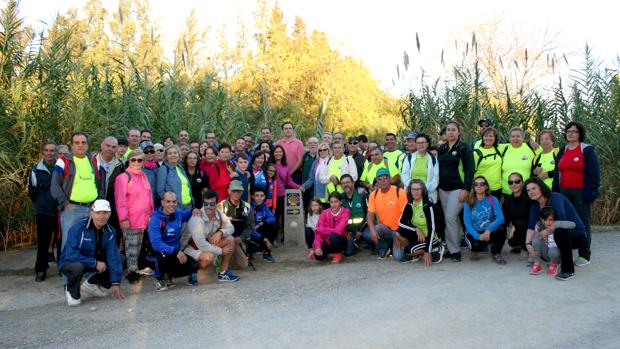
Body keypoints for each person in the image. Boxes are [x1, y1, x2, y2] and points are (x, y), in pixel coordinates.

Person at [59, 200, 125, 306]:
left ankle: (91, 284)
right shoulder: (78, 228)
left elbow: (113, 257)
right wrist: (94, 263)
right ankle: (70, 288)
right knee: (75, 300)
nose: (101, 216)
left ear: (110, 214)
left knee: (120, 259)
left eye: (105, 213)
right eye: (98, 213)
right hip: (71, 262)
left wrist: (115, 282)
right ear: (91, 213)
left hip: (93, 262)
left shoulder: (110, 231)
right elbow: (70, 254)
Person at [553, 121, 600, 265]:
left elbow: (594, 174)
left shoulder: (586, 150)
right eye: (568, 131)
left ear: (580, 134)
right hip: (563, 192)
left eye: (574, 131)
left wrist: (591, 192)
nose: (570, 134)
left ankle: (584, 255)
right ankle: (565, 252)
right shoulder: (563, 150)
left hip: (581, 192)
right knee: (564, 222)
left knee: (582, 223)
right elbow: (557, 172)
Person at [524, 177, 588, 281]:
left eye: (534, 188)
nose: (531, 192)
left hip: (575, 234)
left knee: (559, 232)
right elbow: (531, 227)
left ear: (541, 187)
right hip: (554, 237)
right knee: (543, 244)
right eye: (528, 190)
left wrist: (546, 231)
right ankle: (556, 259)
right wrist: (528, 244)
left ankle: (568, 270)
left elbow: (562, 222)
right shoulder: (535, 205)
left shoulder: (555, 198)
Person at [51, 132, 103, 251]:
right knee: (69, 242)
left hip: (92, 209)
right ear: (72, 145)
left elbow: (100, 183)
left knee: (88, 242)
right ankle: (66, 269)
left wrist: (99, 201)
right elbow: (54, 186)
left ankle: (86, 269)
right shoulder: (64, 161)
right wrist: (65, 204)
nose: (80, 145)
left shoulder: (94, 161)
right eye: (77, 143)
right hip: (72, 209)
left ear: (87, 145)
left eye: (83, 143)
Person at [114, 149, 154, 283]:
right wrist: (123, 218)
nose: (136, 162)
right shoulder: (123, 177)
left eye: (139, 160)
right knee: (131, 249)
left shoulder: (143, 176)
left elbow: (148, 197)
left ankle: (134, 270)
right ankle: (132, 274)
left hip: (143, 219)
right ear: (129, 161)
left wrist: (150, 214)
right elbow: (120, 200)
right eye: (133, 160)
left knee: (137, 247)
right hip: (130, 219)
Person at [437, 121, 474, 262]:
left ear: (459, 132)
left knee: (450, 218)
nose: (451, 132)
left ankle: (455, 251)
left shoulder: (464, 148)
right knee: (450, 220)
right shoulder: (442, 148)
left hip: (458, 188)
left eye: (453, 130)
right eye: (448, 130)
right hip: (443, 188)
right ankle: (453, 247)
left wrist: (466, 189)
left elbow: (470, 171)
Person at [183, 190, 239, 283]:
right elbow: (201, 244)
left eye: (212, 204)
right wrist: (220, 251)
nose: (208, 207)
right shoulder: (197, 218)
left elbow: (231, 228)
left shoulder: (218, 213)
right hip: (190, 247)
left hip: (206, 243)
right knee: (209, 257)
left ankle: (223, 273)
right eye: (206, 204)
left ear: (217, 204)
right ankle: (192, 271)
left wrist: (220, 232)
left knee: (230, 239)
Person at [147, 192, 200, 291]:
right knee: (164, 258)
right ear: (162, 202)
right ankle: (160, 278)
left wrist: (195, 209)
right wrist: (176, 251)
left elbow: (188, 213)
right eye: (168, 201)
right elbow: (156, 244)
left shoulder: (178, 214)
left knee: (194, 266)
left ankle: (169, 275)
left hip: (175, 252)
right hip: (158, 252)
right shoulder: (155, 219)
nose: (172, 204)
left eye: (174, 202)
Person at [28, 140, 59, 281]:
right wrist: (42, 203)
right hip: (43, 211)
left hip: (60, 210)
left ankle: (63, 268)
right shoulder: (35, 170)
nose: (49, 153)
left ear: (56, 152)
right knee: (43, 242)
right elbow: (32, 191)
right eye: (46, 150)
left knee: (62, 241)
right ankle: (41, 269)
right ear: (43, 152)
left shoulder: (61, 167)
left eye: (52, 150)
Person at [396, 179, 444, 266]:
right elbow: (400, 223)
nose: (416, 192)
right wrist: (416, 229)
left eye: (419, 189)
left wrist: (427, 251)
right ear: (410, 191)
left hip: (432, 237)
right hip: (419, 235)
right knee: (398, 233)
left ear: (423, 190)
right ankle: (416, 255)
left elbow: (432, 229)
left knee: (409, 250)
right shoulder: (410, 205)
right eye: (413, 189)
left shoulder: (428, 206)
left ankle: (435, 249)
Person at [365, 168, 408, 260]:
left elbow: (405, 215)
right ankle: (385, 247)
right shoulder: (373, 194)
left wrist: (398, 234)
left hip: (399, 230)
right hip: (385, 229)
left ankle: (400, 244)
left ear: (390, 179)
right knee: (370, 232)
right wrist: (372, 231)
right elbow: (369, 215)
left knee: (398, 257)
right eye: (380, 179)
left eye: (385, 178)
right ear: (377, 181)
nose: (383, 181)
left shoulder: (399, 192)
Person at [463, 176, 506, 264]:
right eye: (476, 184)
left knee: (502, 229)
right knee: (476, 245)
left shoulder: (493, 199)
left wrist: (489, 230)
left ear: (486, 187)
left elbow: (501, 218)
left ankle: (496, 253)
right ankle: (475, 250)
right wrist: (478, 236)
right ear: (473, 187)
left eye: (482, 184)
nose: (479, 186)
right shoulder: (468, 202)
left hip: (488, 231)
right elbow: (467, 223)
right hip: (474, 232)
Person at [94, 136, 125, 247]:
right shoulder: (92, 161)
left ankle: (111, 261)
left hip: (112, 206)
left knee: (112, 235)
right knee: (94, 234)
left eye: (113, 147)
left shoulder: (120, 165)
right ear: (102, 146)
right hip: (94, 204)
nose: (110, 149)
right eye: (108, 145)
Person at [307, 192, 350, 264]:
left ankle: (338, 254)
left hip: (340, 241)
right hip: (327, 241)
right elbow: (318, 233)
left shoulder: (345, 212)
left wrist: (322, 229)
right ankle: (326, 252)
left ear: (340, 202)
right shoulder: (324, 212)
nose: (333, 204)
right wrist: (318, 246)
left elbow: (338, 231)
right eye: (331, 202)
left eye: (336, 201)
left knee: (333, 236)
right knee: (318, 257)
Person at [529, 206, 572, 276]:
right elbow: (536, 238)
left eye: (550, 219)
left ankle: (554, 264)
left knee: (553, 251)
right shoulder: (539, 225)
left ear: (554, 219)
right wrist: (540, 235)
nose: (548, 222)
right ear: (541, 219)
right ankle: (537, 264)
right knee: (535, 241)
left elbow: (573, 224)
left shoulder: (557, 224)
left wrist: (556, 225)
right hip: (547, 252)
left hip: (557, 253)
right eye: (545, 220)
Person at [400, 133, 439, 203]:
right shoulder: (409, 158)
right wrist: (414, 188)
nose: (421, 144)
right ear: (416, 144)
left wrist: (423, 188)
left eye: (423, 142)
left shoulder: (433, 159)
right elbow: (404, 175)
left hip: (427, 193)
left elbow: (435, 178)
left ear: (427, 144)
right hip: (411, 194)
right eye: (418, 143)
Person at [273, 145, 301, 236]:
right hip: (271, 195)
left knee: (283, 216)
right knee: (274, 217)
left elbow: (289, 181)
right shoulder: (269, 165)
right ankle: (274, 236)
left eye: (280, 152)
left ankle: (284, 236)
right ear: (273, 153)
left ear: (283, 154)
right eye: (276, 151)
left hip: (281, 195)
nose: (278, 153)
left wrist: (299, 187)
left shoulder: (285, 166)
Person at [501, 127, 537, 196]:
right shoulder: (504, 148)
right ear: (509, 138)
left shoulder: (530, 147)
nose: (515, 138)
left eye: (518, 136)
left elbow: (546, 153)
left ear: (522, 138)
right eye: (513, 136)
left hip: (526, 190)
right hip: (507, 191)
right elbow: (488, 143)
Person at [501, 172, 530, 255]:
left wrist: (516, 224)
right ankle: (520, 245)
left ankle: (528, 246)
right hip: (517, 230)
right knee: (511, 241)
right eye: (511, 182)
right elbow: (504, 219)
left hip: (531, 228)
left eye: (517, 181)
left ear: (522, 183)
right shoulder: (508, 201)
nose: (514, 184)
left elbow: (532, 218)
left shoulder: (529, 197)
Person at [157, 145, 193, 209]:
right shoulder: (164, 169)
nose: (173, 155)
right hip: (175, 208)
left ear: (178, 155)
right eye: (170, 153)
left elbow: (187, 186)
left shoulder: (180, 168)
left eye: (175, 153)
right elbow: (160, 191)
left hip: (189, 205)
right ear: (166, 157)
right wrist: (171, 204)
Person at [340, 174, 368, 257]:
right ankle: (355, 242)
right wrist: (345, 232)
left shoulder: (362, 194)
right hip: (349, 232)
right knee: (348, 252)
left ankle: (371, 245)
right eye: (343, 183)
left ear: (353, 183)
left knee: (369, 236)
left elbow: (368, 214)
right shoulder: (340, 198)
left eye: (348, 182)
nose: (346, 185)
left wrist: (360, 230)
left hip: (362, 228)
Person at [221, 180, 254, 249]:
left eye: (239, 191)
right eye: (234, 191)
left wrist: (241, 238)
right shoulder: (221, 206)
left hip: (240, 240)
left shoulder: (247, 207)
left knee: (243, 259)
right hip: (224, 240)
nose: (236, 193)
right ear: (229, 191)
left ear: (242, 192)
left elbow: (250, 227)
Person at [473, 127, 504, 199]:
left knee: (495, 209)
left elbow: (514, 143)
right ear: (482, 138)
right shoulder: (476, 153)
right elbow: (470, 172)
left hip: (497, 188)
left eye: (491, 136)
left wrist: (529, 142)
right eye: (486, 136)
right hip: (481, 189)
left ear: (495, 138)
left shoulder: (499, 149)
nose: (488, 138)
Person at [247, 188, 277, 262]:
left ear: (264, 197)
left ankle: (267, 253)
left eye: (261, 196)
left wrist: (262, 223)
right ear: (253, 197)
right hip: (252, 233)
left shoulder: (264, 206)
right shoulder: (249, 208)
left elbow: (272, 218)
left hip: (259, 230)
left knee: (272, 226)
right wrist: (265, 240)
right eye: (257, 196)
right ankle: (249, 254)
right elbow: (250, 229)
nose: (259, 198)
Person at [301, 137, 319, 207]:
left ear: (318, 144)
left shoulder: (321, 156)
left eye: (315, 143)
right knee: (306, 206)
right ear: (308, 145)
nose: (313, 145)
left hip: (316, 188)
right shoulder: (305, 156)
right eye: (310, 143)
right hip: (306, 186)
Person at [140, 140, 159, 205]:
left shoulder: (158, 166)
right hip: (144, 204)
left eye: (152, 151)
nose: (149, 154)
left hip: (157, 204)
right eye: (146, 151)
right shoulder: (138, 168)